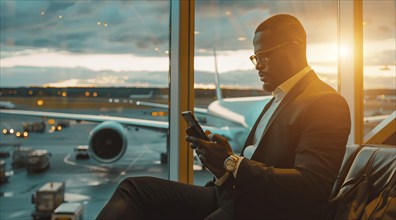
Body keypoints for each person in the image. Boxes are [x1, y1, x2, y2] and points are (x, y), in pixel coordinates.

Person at [96, 14, 351, 220]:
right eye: (255, 58)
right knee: (134, 190)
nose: (258, 66)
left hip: (264, 210)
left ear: (294, 50)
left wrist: (232, 162)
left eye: (264, 56)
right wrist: (221, 167)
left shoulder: (325, 102)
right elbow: (259, 165)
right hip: (234, 196)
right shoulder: (279, 97)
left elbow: (311, 187)